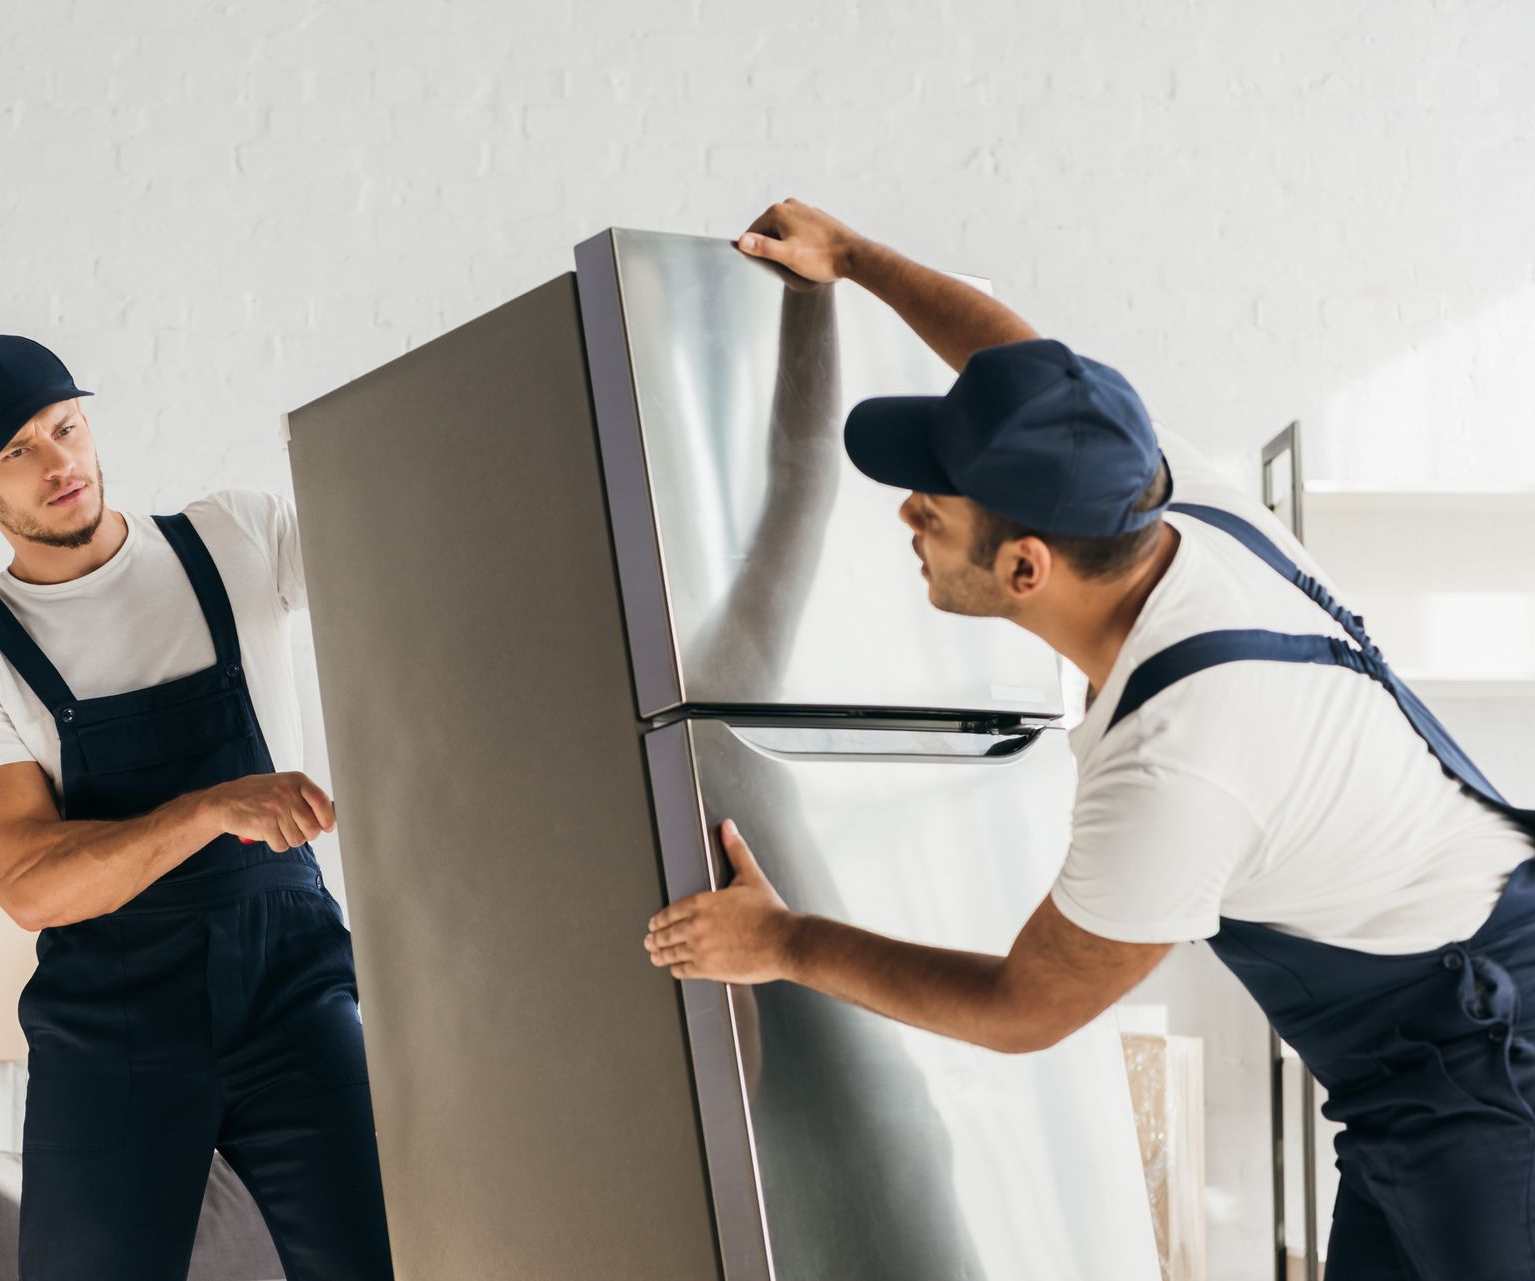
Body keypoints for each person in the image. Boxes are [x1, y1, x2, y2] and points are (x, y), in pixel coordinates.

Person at [645, 200, 1535, 1279]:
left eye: (934, 504)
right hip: (1432, 1067)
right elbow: (1019, 360)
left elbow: (1023, 1010)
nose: (905, 517)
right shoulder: (1166, 499)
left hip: (1494, 1090)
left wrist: (784, 944)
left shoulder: (1176, 762)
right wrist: (857, 259)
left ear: (1028, 568)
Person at [0, 335, 393, 1281]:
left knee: (399, 1253)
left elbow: (411, 569)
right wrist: (212, 807)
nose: (59, 463)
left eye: (66, 427)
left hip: (294, 986)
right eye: (17, 451)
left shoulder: (238, 536)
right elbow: (30, 883)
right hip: (114, 1024)